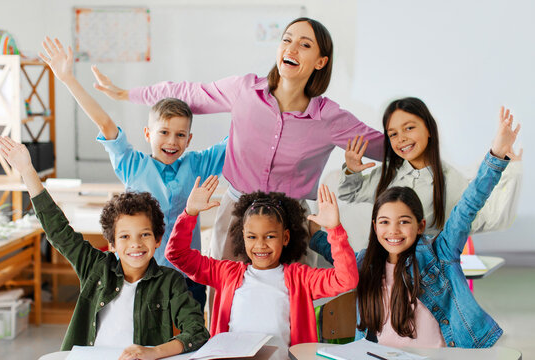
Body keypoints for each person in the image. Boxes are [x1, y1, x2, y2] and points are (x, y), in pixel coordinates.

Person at [90, 17, 384, 263]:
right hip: (236, 214)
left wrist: (421, 150)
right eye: (287, 39)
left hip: (290, 222)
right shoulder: (245, 91)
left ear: (321, 61)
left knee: (289, 306)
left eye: (304, 45)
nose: (291, 48)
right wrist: (126, 94)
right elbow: (188, 93)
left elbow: (387, 146)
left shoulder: (329, 118)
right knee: (226, 301)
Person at [39, 37, 227, 309]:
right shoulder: (132, 164)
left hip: (187, 276)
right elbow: (104, 122)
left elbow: (239, 136)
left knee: (190, 341)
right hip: (140, 273)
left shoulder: (198, 163)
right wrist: (67, 78)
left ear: (189, 139)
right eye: (164, 133)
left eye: (180, 135)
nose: (172, 142)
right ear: (148, 133)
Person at [0, 136, 209, 359]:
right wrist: (28, 170)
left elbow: (197, 331)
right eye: (125, 236)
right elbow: (58, 230)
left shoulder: (170, 282)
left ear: (158, 239)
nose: (135, 243)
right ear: (112, 244)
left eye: (144, 234)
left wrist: (154, 351)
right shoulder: (96, 267)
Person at [354, 110, 517, 348]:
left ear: (420, 226)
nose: (394, 231)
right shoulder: (364, 262)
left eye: (404, 221)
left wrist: (497, 155)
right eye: (385, 222)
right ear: (374, 226)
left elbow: (468, 207)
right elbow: (331, 251)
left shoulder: (439, 253)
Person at [164, 175, 357, 357]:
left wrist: (334, 229)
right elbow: (177, 255)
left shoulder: (301, 278)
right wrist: (190, 214)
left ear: (286, 238)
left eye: (270, 236)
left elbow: (346, 279)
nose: (260, 245)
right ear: (243, 237)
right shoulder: (225, 273)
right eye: (252, 237)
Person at [311, 99, 522, 263]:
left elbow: (480, 216)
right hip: (387, 271)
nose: (401, 138)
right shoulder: (388, 175)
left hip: (428, 275)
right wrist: (352, 170)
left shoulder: (448, 180)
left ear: (428, 129)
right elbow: (350, 193)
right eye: (393, 134)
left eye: (409, 128)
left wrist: (503, 162)